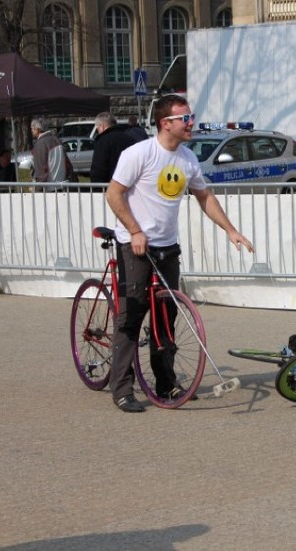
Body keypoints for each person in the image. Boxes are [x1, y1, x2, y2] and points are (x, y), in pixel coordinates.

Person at [106, 94, 254, 413]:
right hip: (135, 245)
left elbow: (204, 196)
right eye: (185, 118)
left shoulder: (187, 158)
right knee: (131, 315)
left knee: (166, 316)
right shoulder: (139, 154)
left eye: (191, 117)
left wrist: (230, 229)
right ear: (165, 123)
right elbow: (113, 194)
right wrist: (134, 230)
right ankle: (121, 388)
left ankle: (165, 383)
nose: (192, 123)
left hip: (167, 246)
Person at [89, 112, 135, 184]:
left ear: (102, 126)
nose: (98, 131)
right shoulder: (131, 139)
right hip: (130, 186)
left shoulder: (102, 141)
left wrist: (97, 189)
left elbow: (98, 169)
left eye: (97, 129)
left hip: (108, 187)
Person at [30, 118, 66, 183]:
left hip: (48, 187)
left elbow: (41, 169)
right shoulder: (57, 140)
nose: (31, 131)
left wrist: (38, 189)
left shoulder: (40, 144)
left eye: (32, 129)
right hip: (60, 184)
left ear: (36, 129)